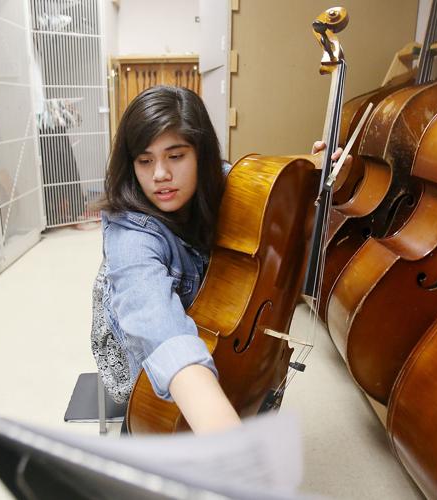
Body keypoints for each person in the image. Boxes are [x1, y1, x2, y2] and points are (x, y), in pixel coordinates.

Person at [91, 85, 347, 434]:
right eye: (145, 160)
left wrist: (323, 174)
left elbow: (281, 200)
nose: (160, 175)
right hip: (138, 348)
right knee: (153, 424)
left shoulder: (227, 183)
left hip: (214, 328)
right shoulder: (129, 231)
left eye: (176, 156)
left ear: (202, 154)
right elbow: (157, 324)